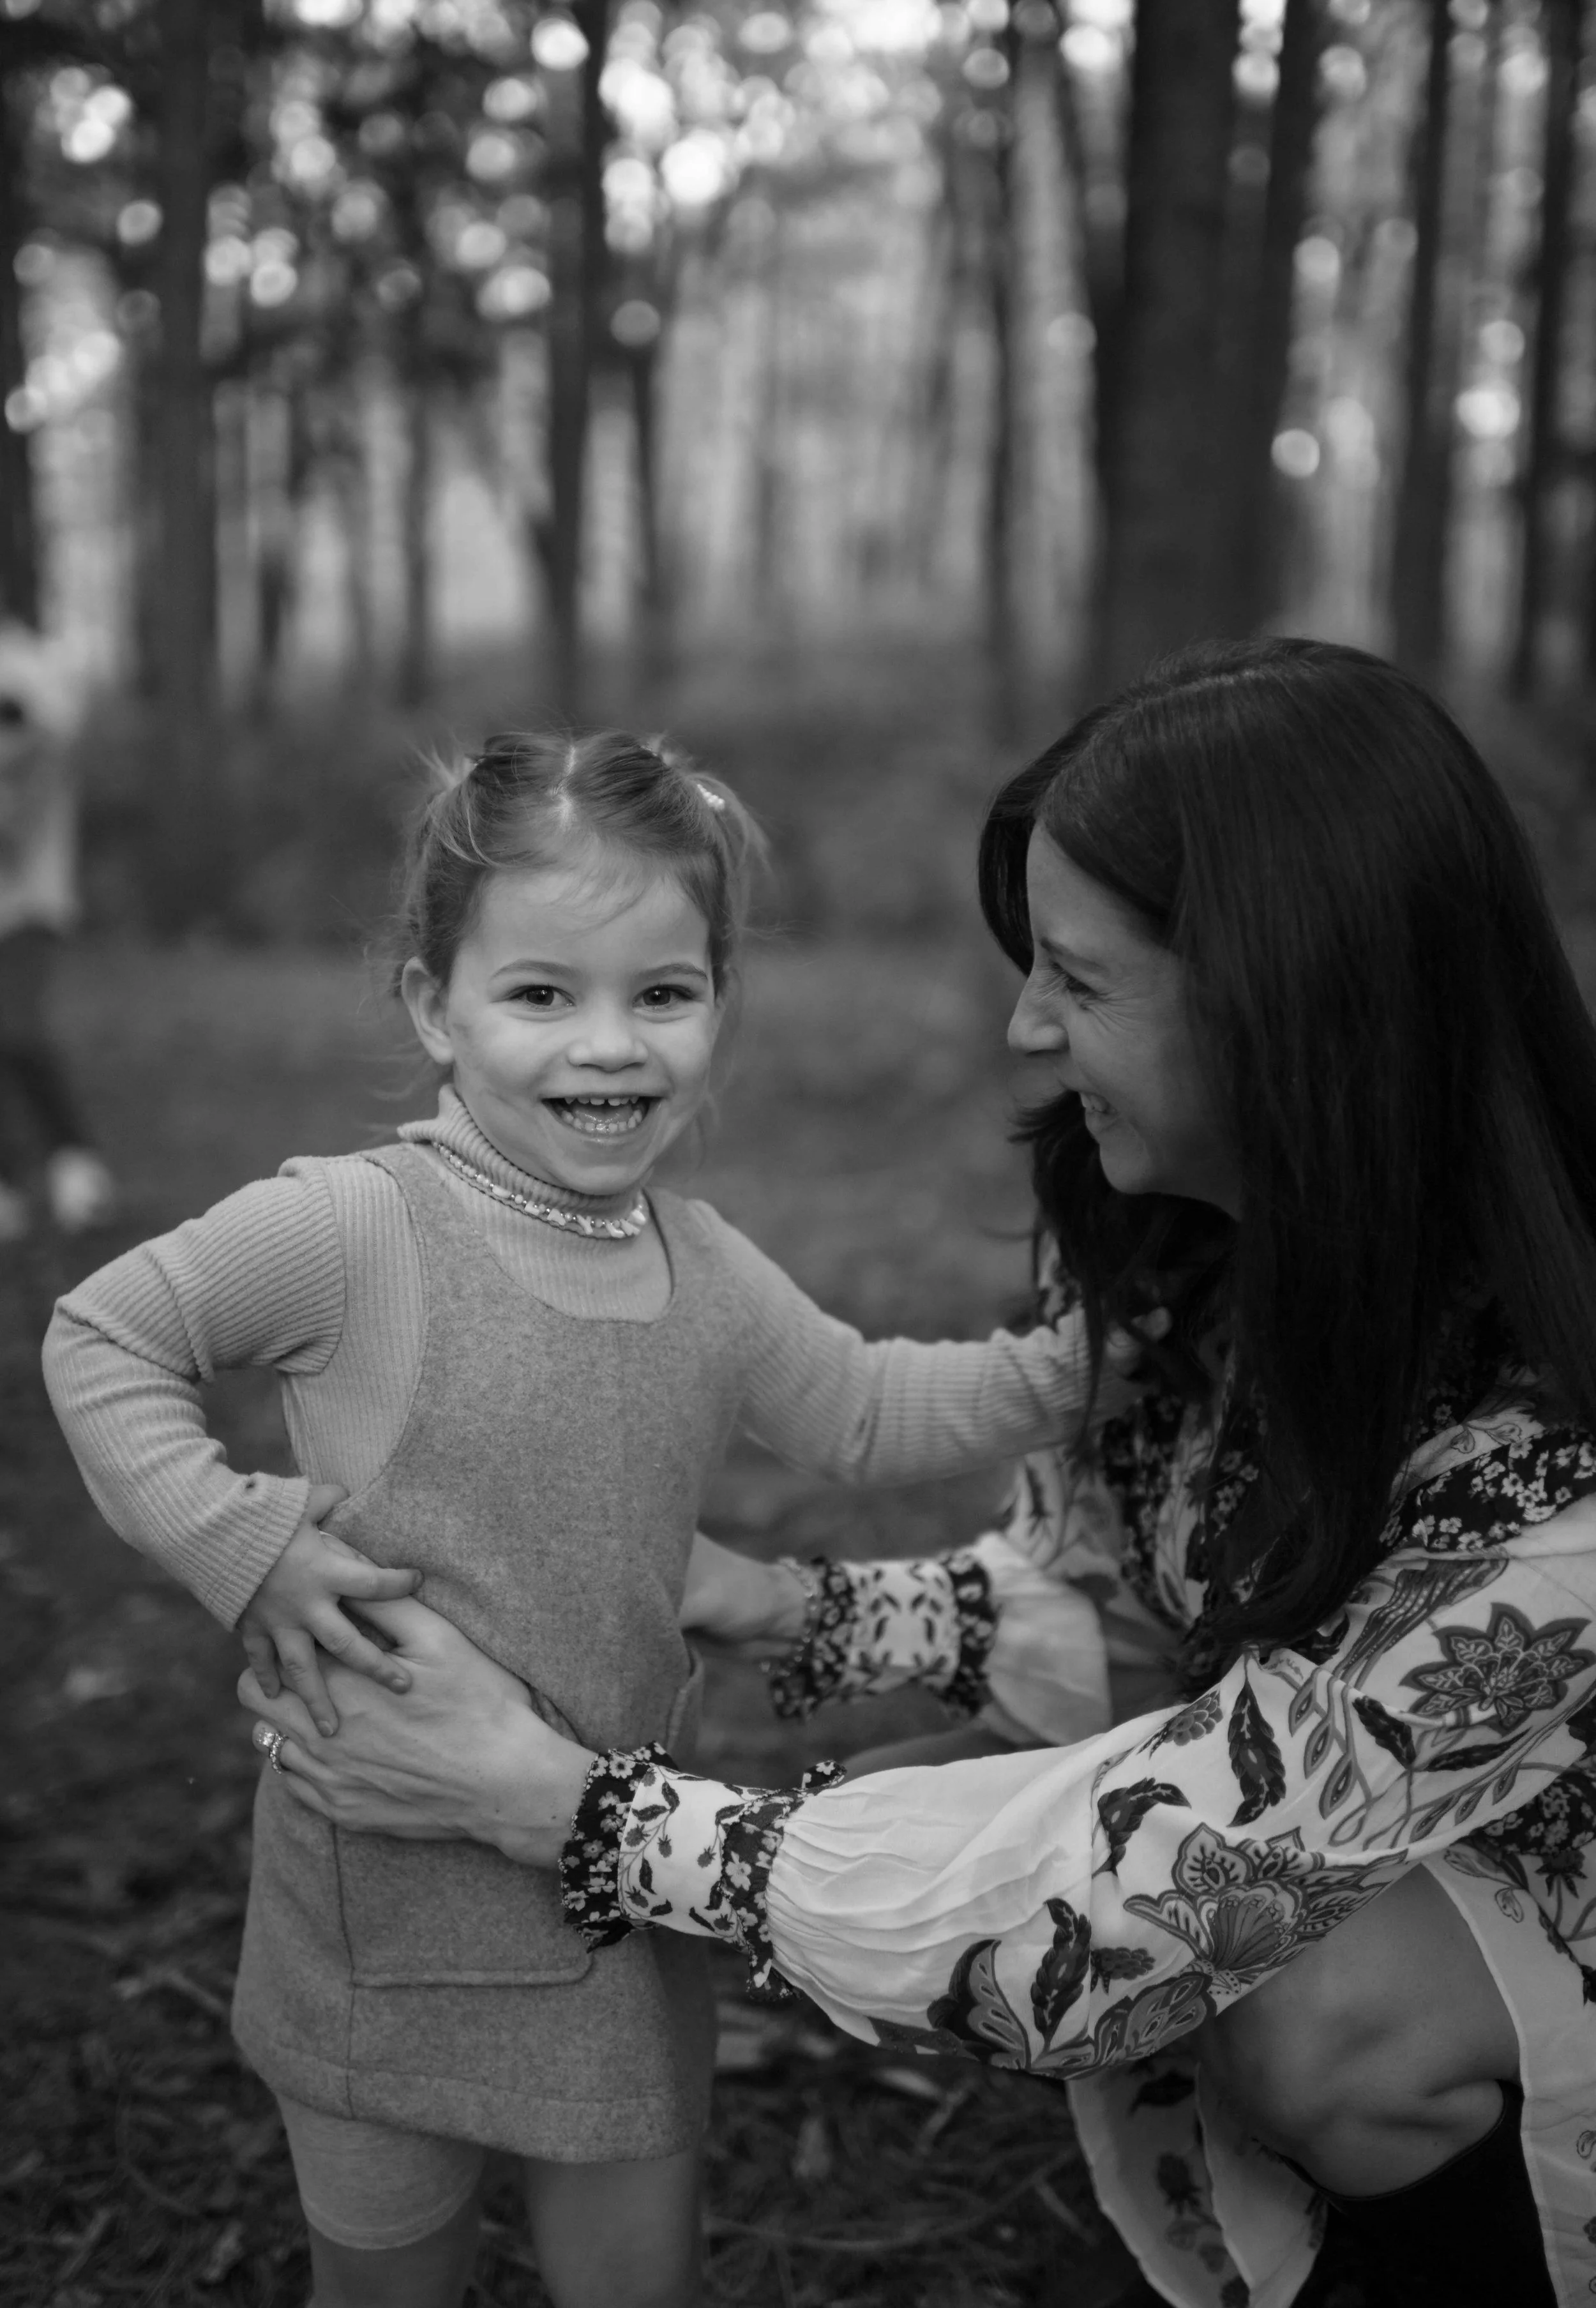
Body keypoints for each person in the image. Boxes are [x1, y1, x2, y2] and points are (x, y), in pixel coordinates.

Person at [240, 642, 1596, 2308]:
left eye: (1081, 982)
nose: (1025, 1025)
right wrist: (770, 1600)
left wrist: (554, 1803)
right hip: (1324, 1810)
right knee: (952, 1791)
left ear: (1290, 1005)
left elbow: (1171, 1889)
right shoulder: (1191, 1243)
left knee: (1319, 2018)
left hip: (1507, 1894)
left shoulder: (1551, 1455)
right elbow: (1106, 1603)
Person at [43, 729, 1148, 2308]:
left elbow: (867, 1405)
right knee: (386, 2274)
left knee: (635, 2274)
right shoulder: (359, 1225)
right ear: (434, 1003)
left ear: (721, 1006)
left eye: (664, 994)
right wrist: (251, 1543)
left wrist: (1080, 1362)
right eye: (541, 993)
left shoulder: (696, 1264)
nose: (609, 1047)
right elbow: (105, 1333)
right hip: (381, 1889)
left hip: (612, 1876)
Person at [0, 623, 117, 1241]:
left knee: (17, 1031)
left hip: (30, 904)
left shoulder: (28, 671)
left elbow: (56, 733)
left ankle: (78, 1168)